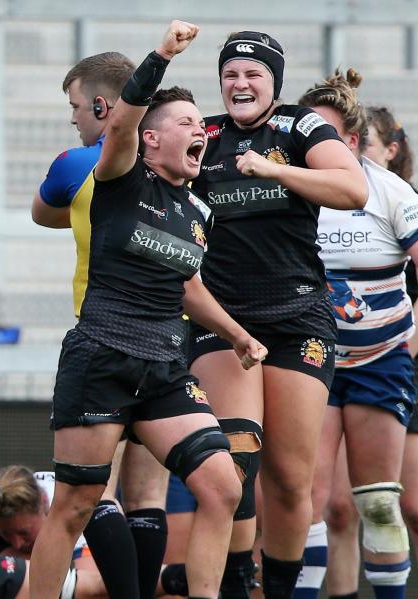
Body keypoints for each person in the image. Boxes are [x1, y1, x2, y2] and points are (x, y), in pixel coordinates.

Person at [30, 21, 268, 599]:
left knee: (221, 485)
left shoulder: (197, 211)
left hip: (164, 366)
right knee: (75, 505)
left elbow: (188, 288)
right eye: (185, 123)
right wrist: (161, 55)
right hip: (103, 355)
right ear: (150, 140)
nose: (200, 132)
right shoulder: (118, 176)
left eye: (199, 126)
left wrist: (237, 335)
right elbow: (124, 116)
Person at [185, 30, 367, 599]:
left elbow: (352, 189)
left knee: (291, 481)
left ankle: (281, 590)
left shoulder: (298, 127)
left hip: (297, 316)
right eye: (231, 74)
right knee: (236, 460)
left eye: (253, 74)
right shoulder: (205, 134)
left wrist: (275, 170)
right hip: (222, 319)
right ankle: (237, 584)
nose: (240, 84)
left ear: (274, 83)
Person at [293, 70, 418, 599]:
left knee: (379, 501)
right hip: (309, 359)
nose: (310, 140)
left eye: (323, 131)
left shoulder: (392, 192)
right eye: (304, 129)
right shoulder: (285, 187)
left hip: (381, 358)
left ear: (350, 140)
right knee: (308, 497)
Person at [32, 51, 168, 599]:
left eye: (74, 106)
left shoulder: (78, 162)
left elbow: (41, 213)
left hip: (104, 336)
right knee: (150, 491)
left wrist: (100, 214)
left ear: (101, 104)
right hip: (169, 335)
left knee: (92, 491)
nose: (72, 119)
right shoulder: (170, 163)